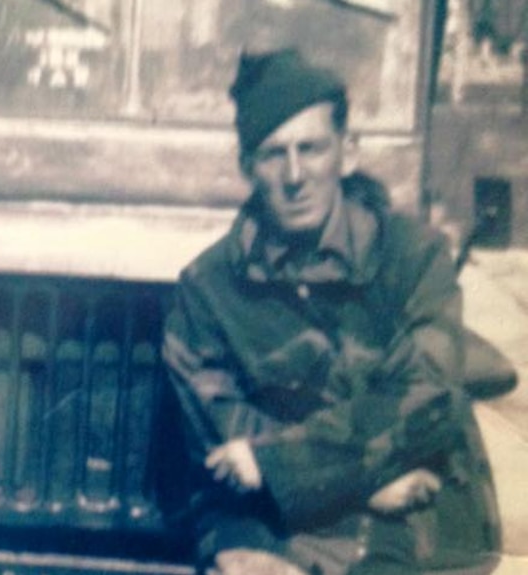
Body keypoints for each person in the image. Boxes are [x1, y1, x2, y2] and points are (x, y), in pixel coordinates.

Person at [162, 49, 500, 575]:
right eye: (274, 154)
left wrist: (280, 464)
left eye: (312, 148)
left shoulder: (412, 258)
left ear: (347, 153)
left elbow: (424, 399)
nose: (295, 174)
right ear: (247, 166)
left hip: (406, 521)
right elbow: (223, 441)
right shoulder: (208, 288)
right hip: (270, 520)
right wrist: (366, 477)